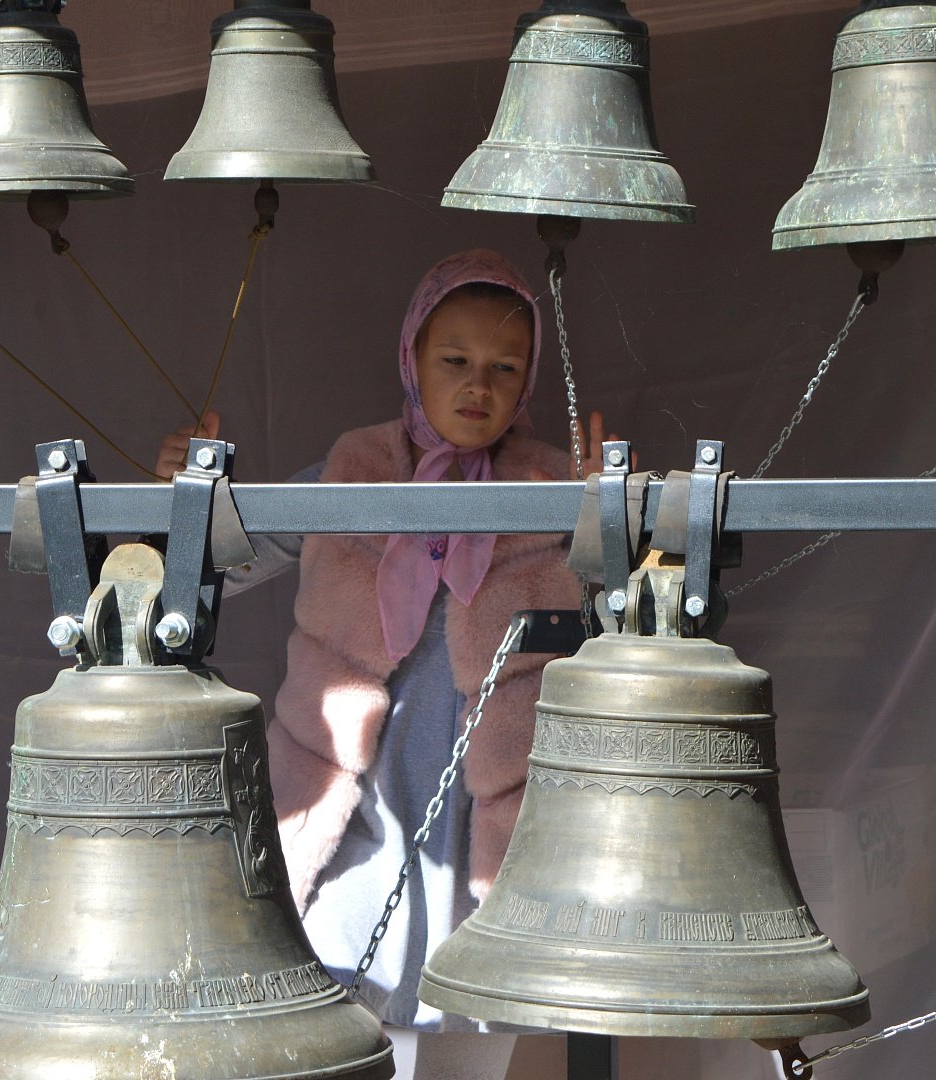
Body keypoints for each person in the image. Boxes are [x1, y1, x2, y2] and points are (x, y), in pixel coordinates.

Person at [156, 250, 604, 1073]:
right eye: (456, 361)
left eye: (506, 366)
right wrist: (185, 501)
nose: (480, 384)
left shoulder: (551, 485)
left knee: (474, 1010)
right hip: (357, 795)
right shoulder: (349, 471)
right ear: (412, 361)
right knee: (335, 1009)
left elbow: (619, 606)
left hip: (489, 796)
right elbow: (218, 563)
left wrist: (619, 506)